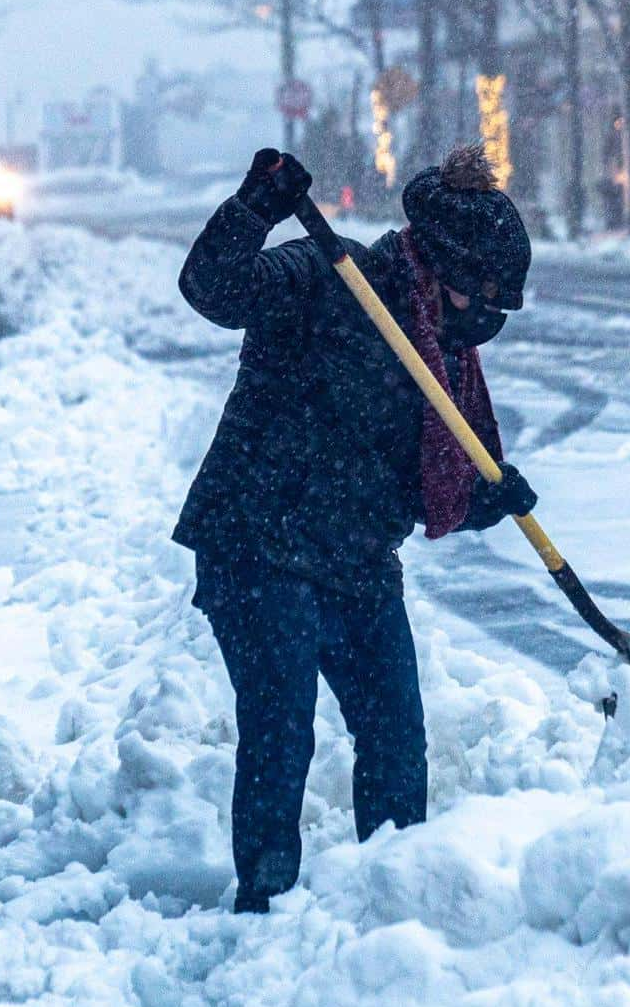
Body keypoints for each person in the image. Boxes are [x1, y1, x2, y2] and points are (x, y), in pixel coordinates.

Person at [175, 142, 536, 913]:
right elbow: (213, 288)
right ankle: (264, 905)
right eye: (488, 302)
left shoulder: (440, 352)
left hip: (359, 559)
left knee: (398, 741)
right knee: (281, 734)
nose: (490, 324)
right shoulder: (329, 276)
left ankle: (394, 898)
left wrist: (483, 501)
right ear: (448, 272)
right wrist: (254, 210)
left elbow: (418, 481)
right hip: (258, 543)